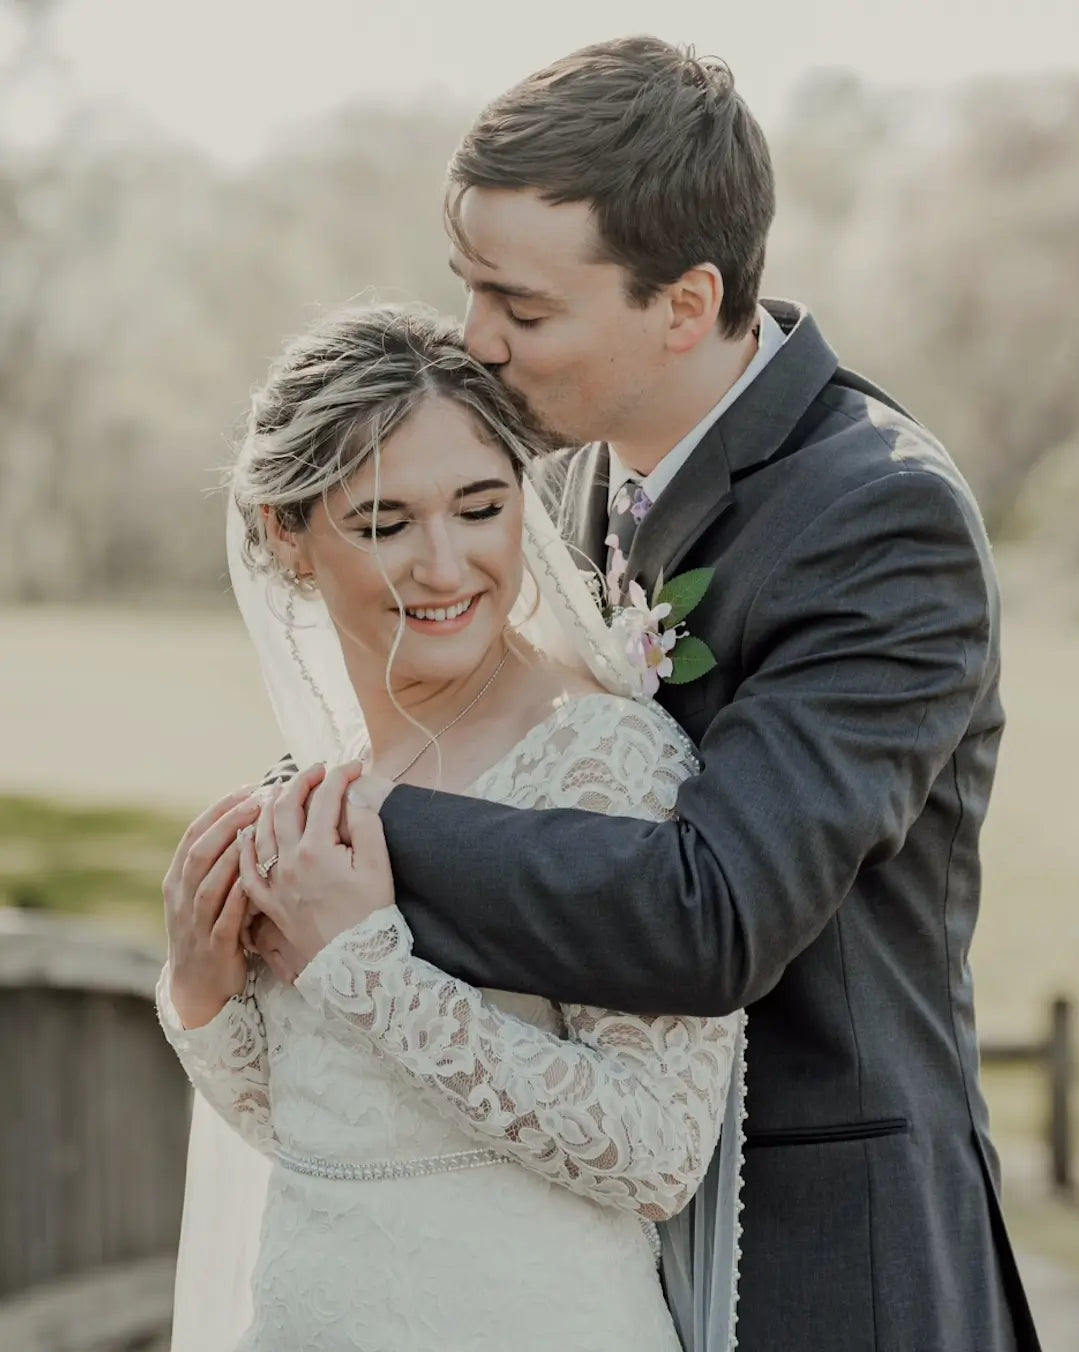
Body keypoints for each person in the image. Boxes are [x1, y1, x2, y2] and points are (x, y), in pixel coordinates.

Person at [245, 36, 1041, 1352]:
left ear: (684, 304)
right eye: (469, 286)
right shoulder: (553, 484)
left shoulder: (879, 517)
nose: (475, 341)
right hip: (567, 1251)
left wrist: (348, 826)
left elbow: (713, 912)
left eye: (522, 307)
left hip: (820, 1257)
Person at [157, 302, 744, 1352]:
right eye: (384, 525)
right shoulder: (322, 784)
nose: (444, 566)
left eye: (480, 508)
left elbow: (657, 1150)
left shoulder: (601, 759)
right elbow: (327, 1128)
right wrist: (202, 993)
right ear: (287, 535)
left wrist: (365, 969)